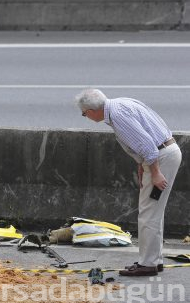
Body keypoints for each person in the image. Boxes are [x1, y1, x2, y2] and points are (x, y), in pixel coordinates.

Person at [75, 89, 182, 277]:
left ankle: (147, 263)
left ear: (92, 110)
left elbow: (148, 146)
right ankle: (154, 261)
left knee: (148, 212)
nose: (85, 116)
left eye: (84, 113)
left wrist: (155, 172)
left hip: (160, 158)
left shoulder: (117, 115)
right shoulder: (120, 103)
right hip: (166, 151)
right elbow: (150, 129)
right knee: (154, 211)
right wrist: (142, 164)